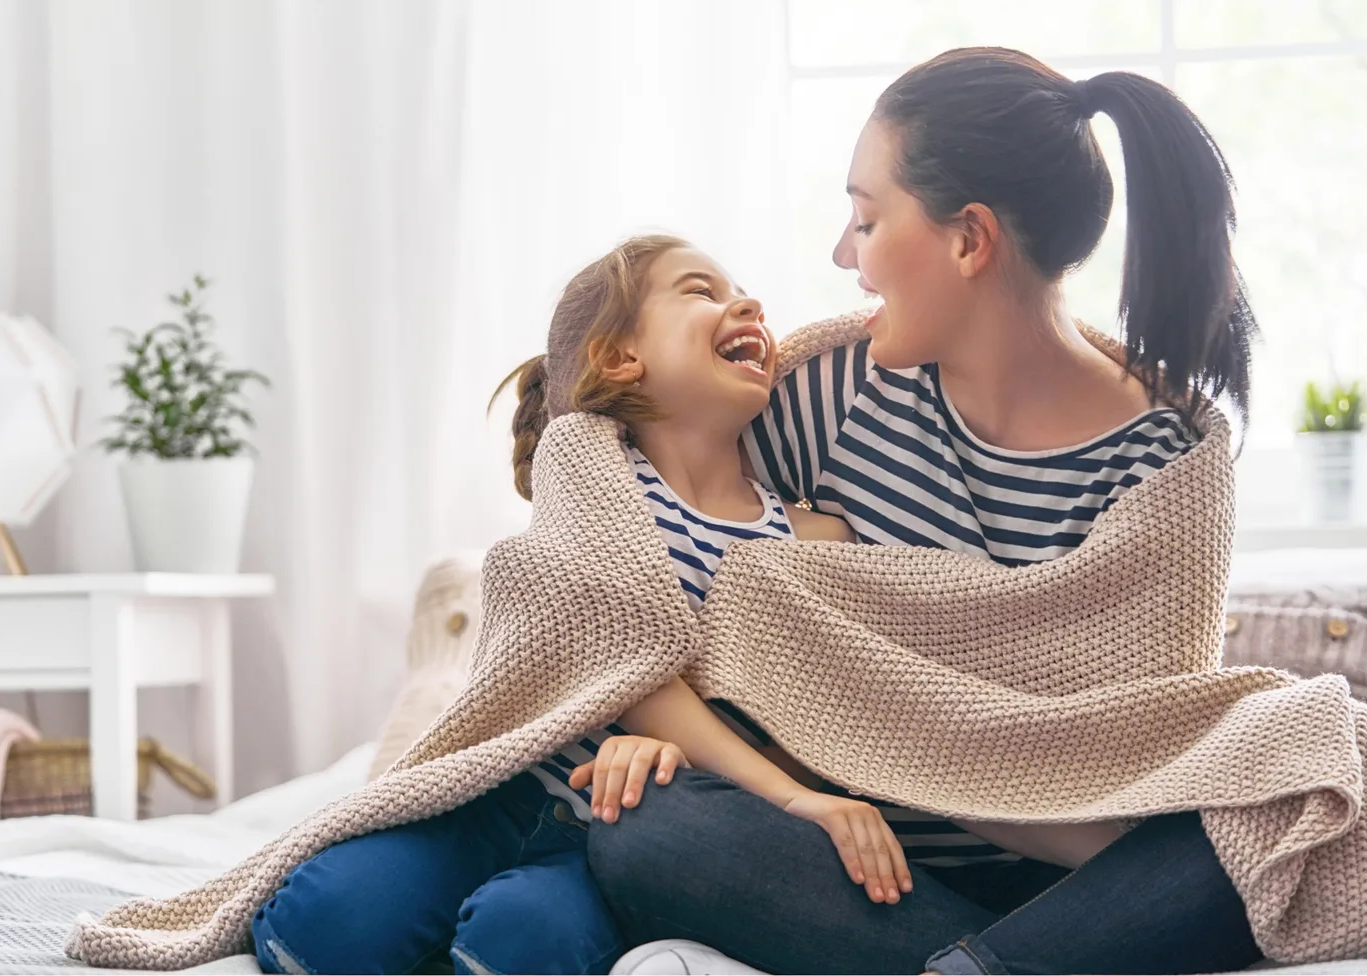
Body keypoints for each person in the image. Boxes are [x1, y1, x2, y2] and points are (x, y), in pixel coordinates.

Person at [585, 47, 1264, 976]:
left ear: (968, 240)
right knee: (648, 831)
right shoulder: (830, 394)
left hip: (1079, 887)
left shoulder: (1169, 462)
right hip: (860, 872)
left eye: (866, 219)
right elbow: (637, 543)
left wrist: (936, 746)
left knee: (1274, 808)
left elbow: (1135, 766)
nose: (842, 255)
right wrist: (646, 727)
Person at [249, 234, 941, 975]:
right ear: (620, 359)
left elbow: (814, 718)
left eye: (738, 291)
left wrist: (712, 777)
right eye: (700, 290)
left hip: (610, 837)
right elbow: (615, 648)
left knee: (517, 945)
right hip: (498, 800)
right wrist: (767, 786)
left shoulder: (813, 538)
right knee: (319, 929)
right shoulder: (586, 467)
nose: (747, 304)